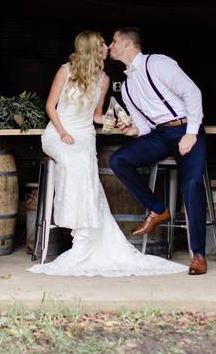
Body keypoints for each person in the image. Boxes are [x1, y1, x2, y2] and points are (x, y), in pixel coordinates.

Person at [27, 30, 188, 277]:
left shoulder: (103, 79)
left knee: (83, 163)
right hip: (58, 132)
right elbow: (50, 106)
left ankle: (84, 238)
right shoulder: (66, 70)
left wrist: (118, 124)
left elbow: (96, 116)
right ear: (92, 47)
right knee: (74, 160)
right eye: (103, 43)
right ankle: (78, 233)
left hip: (84, 135)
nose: (107, 47)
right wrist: (62, 133)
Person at [107, 27, 210, 275]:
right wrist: (133, 131)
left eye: (113, 41)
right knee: (119, 159)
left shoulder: (159, 63)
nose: (109, 46)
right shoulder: (128, 86)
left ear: (127, 43)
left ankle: (198, 255)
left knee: (192, 184)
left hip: (186, 127)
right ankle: (157, 208)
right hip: (160, 135)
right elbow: (144, 124)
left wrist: (191, 132)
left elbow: (192, 93)